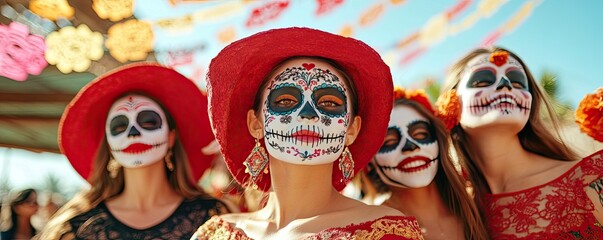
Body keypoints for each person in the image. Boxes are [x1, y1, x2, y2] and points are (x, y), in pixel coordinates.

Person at [192, 27, 424, 239]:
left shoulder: (386, 231)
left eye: (329, 103)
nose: (308, 114)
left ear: (352, 129)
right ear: (255, 123)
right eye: (285, 100)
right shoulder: (213, 234)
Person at [37, 63, 230, 239]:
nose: (133, 133)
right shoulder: (77, 227)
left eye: (148, 121)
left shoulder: (215, 217)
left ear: (171, 138)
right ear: (109, 144)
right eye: (119, 126)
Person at [438, 46, 603, 239]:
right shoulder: (456, 210)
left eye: (517, 82)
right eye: (483, 80)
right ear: (449, 104)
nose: (505, 85)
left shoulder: (594, 178)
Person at [364, 87, 489, 239]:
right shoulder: (372, 229)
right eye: (389, 141)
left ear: (438, 141)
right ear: (369, 162)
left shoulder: (480, 206)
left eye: (421, 134)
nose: (410, 147)